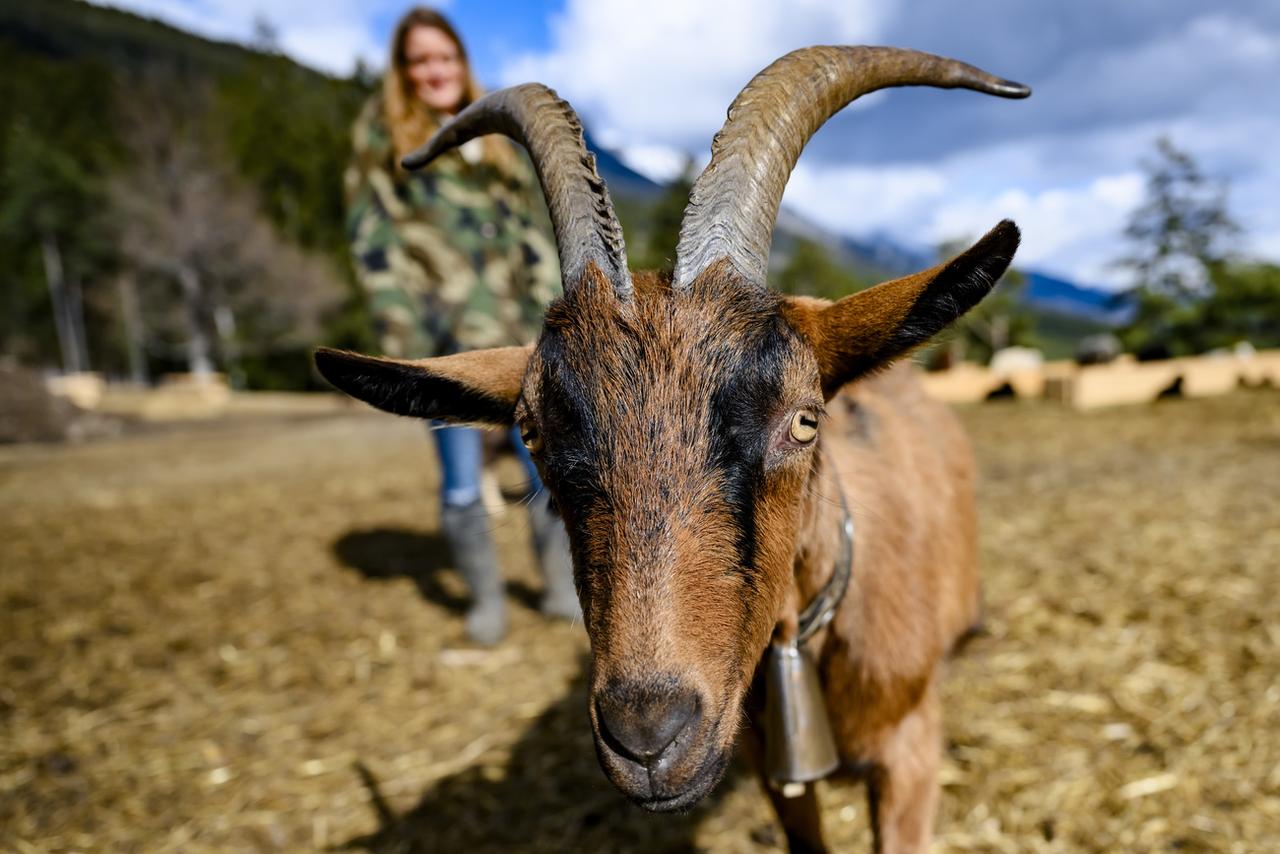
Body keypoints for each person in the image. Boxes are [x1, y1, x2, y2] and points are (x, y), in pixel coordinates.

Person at [345, 7, 577, 644]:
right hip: (447, 342)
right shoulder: (380, 136)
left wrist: (557, 316)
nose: (435, 71)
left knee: (546, 468)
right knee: (460, 473)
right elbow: (375, 246)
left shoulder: (495, 132)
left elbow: (533, 234)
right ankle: (486, 603)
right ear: (404, 69)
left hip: (520, 335)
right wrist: (407, 339)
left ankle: (560, 587)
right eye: (420, 60)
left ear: (460, 62)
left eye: (444, 57)